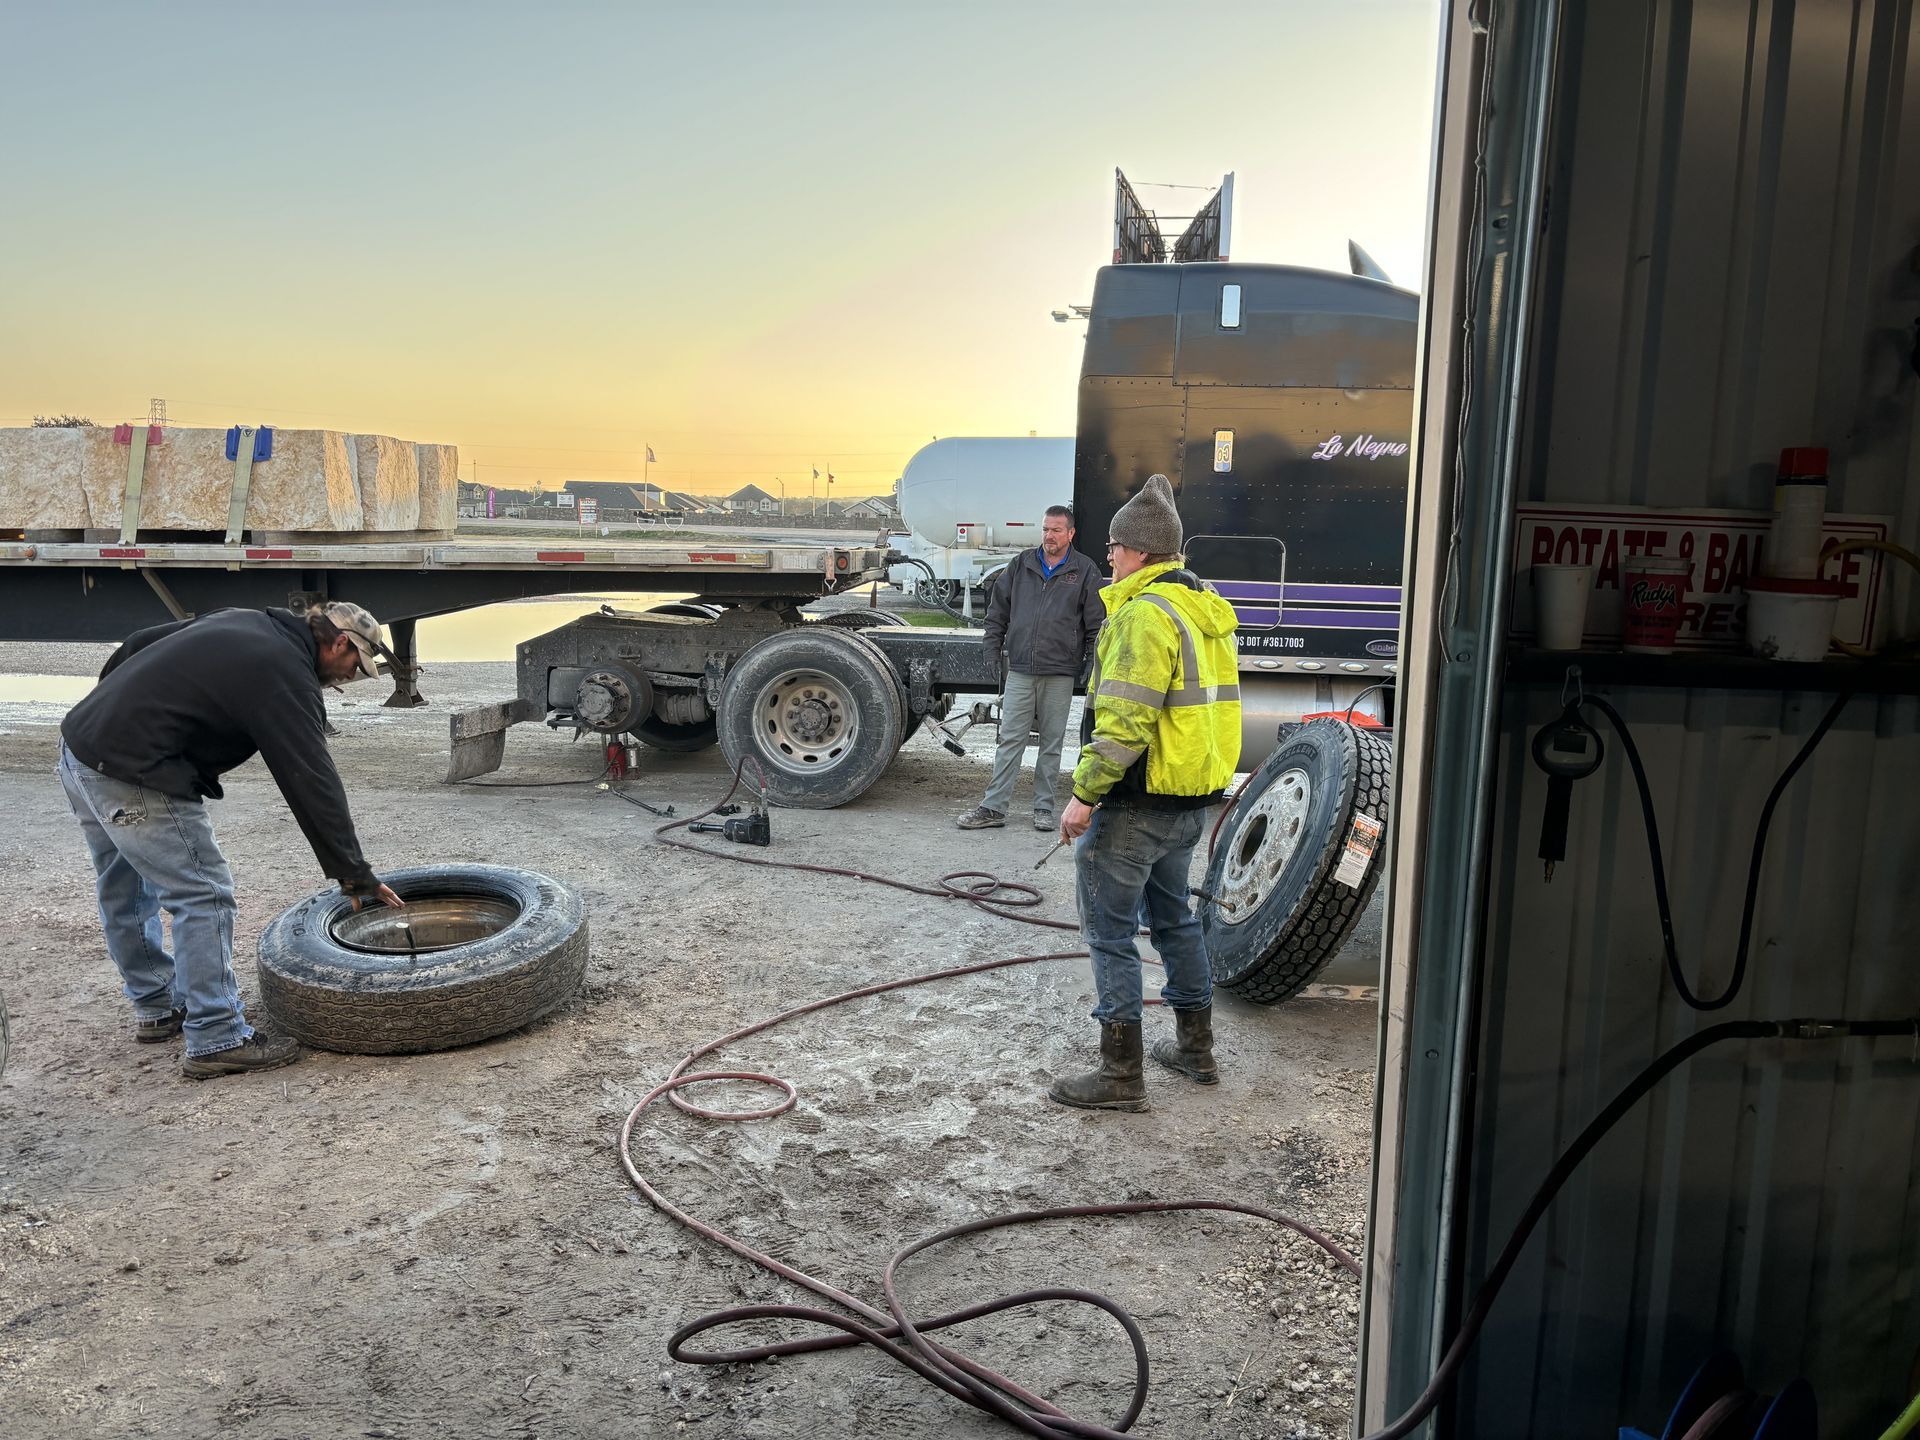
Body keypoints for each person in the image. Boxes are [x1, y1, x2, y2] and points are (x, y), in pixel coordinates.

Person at [57, 601, 405, 1079]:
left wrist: (114, 717)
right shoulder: (285, 672)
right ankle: (217, 1036)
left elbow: (140, 642)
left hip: (82, 749)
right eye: (355, 666)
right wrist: (352, 872)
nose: (348, 678)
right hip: (132, 772)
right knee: (202, 893)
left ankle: (157, 1007)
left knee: (126, 886)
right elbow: (310, 778)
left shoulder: (249, 621)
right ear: (340, 643)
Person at [1049, 475, 1243, 1112]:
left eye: (1113, 545)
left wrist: (1084, 796)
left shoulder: (1142, 616)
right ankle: (1194, 1049)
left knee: (1109, 933)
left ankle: (1120, 1076)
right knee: (1175, 921)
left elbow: (1125, 722)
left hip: (1138, 804)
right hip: (1190, 799)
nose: (1106, 555)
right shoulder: (1201, 608)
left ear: (1140, 552)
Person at [957, 504, 1104, 833]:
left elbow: (1096, 625)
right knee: (1010, 740)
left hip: (1060, 672)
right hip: (1021, 669)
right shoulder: (1021, 564)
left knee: (1051, 744)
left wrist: (1090, 665)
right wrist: (991, 648)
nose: (1049, 536)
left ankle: (1043, 809)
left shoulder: (1084, 571)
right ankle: (993, 807)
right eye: (1045, 529)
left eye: (1056, 530)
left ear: (1070, 534)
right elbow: (998, 612)